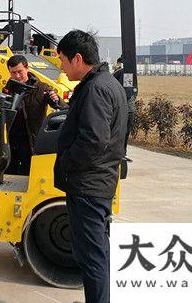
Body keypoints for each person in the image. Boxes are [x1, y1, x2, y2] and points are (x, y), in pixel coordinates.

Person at [54, 30, 128, 303]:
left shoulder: (96, 89)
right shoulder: (105, 83)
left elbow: (94, 140)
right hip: (96, 182)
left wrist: (66, 163)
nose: (60, 66)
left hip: (88, 185)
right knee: (96, 253)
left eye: (62, 59)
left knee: (92, 256)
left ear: (77, 58)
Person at [3, 54, 62, 175]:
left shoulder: (41, 88)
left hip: (31, 142)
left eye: (20, 71)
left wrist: (56, 99)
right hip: (11, 142)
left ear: (27, 69)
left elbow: (60, 105)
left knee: (29, 174)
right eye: (13, 73)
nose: (17, 76)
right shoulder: (7, 89)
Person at [112, 57, 135, 151]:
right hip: (129, 108)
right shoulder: (129, 73)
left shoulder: (120, 73)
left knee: (119, 132)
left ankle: (121, 152)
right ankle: (122, 152)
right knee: (124, 132)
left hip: (123, 107)